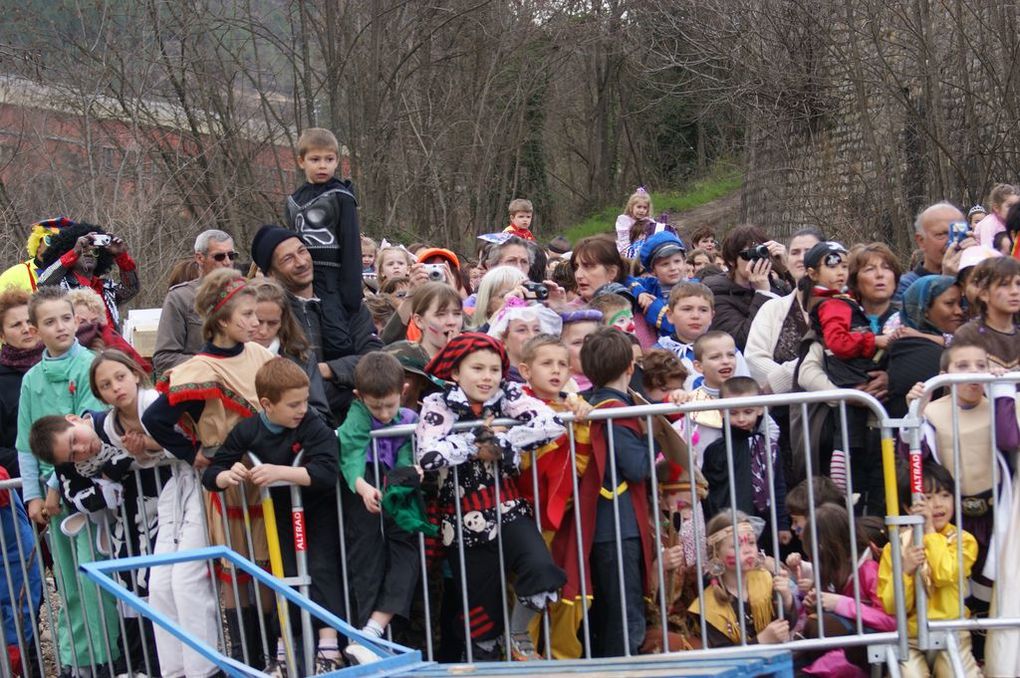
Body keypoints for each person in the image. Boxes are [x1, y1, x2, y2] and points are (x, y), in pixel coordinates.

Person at [416, 333, 576, 661]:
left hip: (508, 507)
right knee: (481, 619)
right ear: (456, 373)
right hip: (462, 520)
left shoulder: (507, 394)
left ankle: (518, 632)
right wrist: (477, 442)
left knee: (542, 571)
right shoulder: (438, 403)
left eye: (494, 369)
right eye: (477, 368)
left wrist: (504, 443)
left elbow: (552, 423)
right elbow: (429, 456)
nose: (488, 377)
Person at [142, 269, 275, 666]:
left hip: (266, 474)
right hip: (228, 479)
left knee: (268, 564)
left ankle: (272, 655)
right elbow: (156, 419)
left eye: (257, 315)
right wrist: (192, 452)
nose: (256, 322)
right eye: (247, 315)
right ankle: (245, 658)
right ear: (220, 320)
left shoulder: (262, 356)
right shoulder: (196, 367)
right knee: (236, 570)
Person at [204, 357, 343, 674]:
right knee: (286, 576)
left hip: (316, 510)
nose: (302, 409)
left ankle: (329, 649)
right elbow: (213, 471)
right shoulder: (249, 429)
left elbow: (326, 472)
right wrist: (227, 475)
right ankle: (284, 653)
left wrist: (282, 472)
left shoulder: (311, 424)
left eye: (305, 401)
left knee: (321, 569)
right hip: (280, 515)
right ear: (267, 404)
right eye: (294, 404)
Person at [15, 286, 120, 675]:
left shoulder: (90, 365)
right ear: (35, 329)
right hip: (50, 501)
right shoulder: (31, 380)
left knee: (95, 576)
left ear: (77, 319)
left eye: (65, 318)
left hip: (87, 492)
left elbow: (82, 440)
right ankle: (75, 658)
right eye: (49, 321)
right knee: (66, 581)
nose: (60, 327)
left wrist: (56, 489)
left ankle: (105, 655)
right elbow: (26, 444)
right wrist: (32, 497)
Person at [905, 340, 1020, 620]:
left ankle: (987, 652)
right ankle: (962, 644)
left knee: (994, 586)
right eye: (963, 366)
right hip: (953, 513)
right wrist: (914, 412)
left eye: (981, 366)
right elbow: (913, 459)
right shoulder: (933, 411)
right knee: (956, 581)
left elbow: (1008, 439)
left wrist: (1003, 389)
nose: (973, 373)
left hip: (995, 512)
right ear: (945, 374)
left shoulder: (1003, 405)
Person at [336, 352, 422, 666]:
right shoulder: (358, 414)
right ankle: (367, 637)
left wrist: (405, 479)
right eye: (376, 407)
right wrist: (361, 486)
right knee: (366, 559)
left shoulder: (411, 418)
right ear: (360, 397)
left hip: (396, 487)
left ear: (405, 390)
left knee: (406, 555)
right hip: (365, 484)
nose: (384, 414)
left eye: (390, 404)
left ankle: (373, 631)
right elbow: (352, 452)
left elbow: (406, 457)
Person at [251, 225, 383, 421]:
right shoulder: (270, 317)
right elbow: (283, 388)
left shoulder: (347, 305)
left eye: (302, 251)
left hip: (360, 426)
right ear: (271, 273)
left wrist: (324, 370)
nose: (301, 262)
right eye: (288, 259)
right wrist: (349, 389)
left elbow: (376, 363)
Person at [877, 462, 981, 677]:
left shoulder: (963, 540)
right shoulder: (895, 547)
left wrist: (930, 532)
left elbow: (946, 574)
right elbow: (891, 604)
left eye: (945, 495)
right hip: (911, 638)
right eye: (927, 498)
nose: (938, 504)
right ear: (908, 507)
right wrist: (905, 571)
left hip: (952, 632)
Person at [798, 504, 896, 675]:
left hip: (873, 652)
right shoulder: (835, 571)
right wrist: (814, 605)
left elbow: (891, 622)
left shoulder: (869, 569)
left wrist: (841, 604)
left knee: (821, 626)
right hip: (844, 652)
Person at [702, 377, 791, 554]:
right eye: (733, 413)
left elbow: (778, 486)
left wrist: (782, 524)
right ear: (721, 412)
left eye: (748, 411)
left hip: (764, 526)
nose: (741, 418)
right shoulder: (715, 450)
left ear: (759, 410)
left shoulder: (768, 447)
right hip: (726, 529)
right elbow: (709, 494)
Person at [284, 127, 363, 316]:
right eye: (315, 159)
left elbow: (351, 247)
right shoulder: (293, 200)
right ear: (301, 161)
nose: (322, 165)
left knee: (336, 336)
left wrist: (351, 296)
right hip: (300, 277)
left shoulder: (341, 196)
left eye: (329, 159)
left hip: (333, 280)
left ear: (337, 161)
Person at [688, 511, 793, 647]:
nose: (748, 550)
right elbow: (722, 656)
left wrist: (787, 600)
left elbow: (788, 626)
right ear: (716, 554)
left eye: (751, 542)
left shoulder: (767, 579)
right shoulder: (707, 607)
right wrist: (760, 641)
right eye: (737, 546)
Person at [153, 229, 237, 375]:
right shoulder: (180, 298)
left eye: (231, 255)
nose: (227, 262)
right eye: (219, 257)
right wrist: (213, 365)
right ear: (199, 258)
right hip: (201, 385)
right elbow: (164, 358)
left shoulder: (246, 295)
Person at [249, 278, 331, 423]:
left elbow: (322, 415)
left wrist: (290, 406)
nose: (263, 331)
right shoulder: (229, 355)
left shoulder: (302, 357)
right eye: (258, 321)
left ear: (283, 322)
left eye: (272, 323)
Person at [35, 222, 139, 332]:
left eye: (94, 251)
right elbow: (43, 283)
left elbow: (131, 289)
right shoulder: (61, 288)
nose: (89, 254)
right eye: (84, 250)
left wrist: (121, 256)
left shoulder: (106, 289)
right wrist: (74, 252)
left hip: (111, 346)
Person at [884, 276, 964, 417]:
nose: (959, 311)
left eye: (960, 304)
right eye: (950, 303)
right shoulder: (910, 347)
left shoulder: (964, 340)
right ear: (924, 308)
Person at [703, 225, 791, 352]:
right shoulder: (716, 293)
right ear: (731, 260)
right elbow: (741, 343)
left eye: (761, 252)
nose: (757, 261)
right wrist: (763, 294)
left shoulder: (778, 287)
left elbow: (805, 312)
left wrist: (789, 269)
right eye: (749, 255)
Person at [655, 282, 750, 390]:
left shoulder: (729, 352)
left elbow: (746, 391)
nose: (696, 316)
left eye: (703, 310)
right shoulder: (658, 353)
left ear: (712, 316)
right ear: (670, 315)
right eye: (687, 309)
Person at [384, 282, 463, 409]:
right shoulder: (403, 356)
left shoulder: (471, 357)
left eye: (457, 314)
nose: (452, 322)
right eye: (441, 314)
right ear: (419, 321)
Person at [953, 256, 1020, 371]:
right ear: (984, 294)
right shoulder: (968, 335)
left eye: (1018, 284)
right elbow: (959, 384)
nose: (1015, 291)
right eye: (1004, 284)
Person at [0, 288, 39, 479]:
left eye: (30, 321)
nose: (26, 329)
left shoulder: (60, 363)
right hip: (23, 487)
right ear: (2, 335)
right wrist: (35, 463)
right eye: (16, 325)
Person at [894, 202, 968, 301]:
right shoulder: (905, 286)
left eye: (957, 234)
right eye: (941, 234)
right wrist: (947, 280)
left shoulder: (976, 281)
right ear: (921, 241)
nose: (951, 243)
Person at [67, 287, 152, 372]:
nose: (90, 327)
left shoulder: (116, 346)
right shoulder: (63, 351)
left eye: (94, 321)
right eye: (82, 322)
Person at [686, 331, 740, 465]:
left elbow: (771, 430)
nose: (726, 361)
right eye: (716, 357)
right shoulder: (691, 401)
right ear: (698, 366)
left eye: (731, 355)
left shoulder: (749, 394)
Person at [486, 298, 562, 383]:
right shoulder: (497, 380)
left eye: (536, 330)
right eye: (522, 330)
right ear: (503, 340)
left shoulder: (552, 375)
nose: (532, 336)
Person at [628, 231, 689, 337]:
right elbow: (623, 279)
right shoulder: (650, 285)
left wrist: (654, 308)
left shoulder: (696, 289)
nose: (673, 268)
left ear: (685, 262)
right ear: (652, 271)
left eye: (677, 261)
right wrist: (640, 292)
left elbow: (681, 327)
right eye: (665, 264)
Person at [0, 216, 73, 293]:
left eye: (63, 243)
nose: (55, 246)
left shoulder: (75, 277)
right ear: (38, 243)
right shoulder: (14, 275)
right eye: (50, 240)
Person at [467, 266, 529, 331]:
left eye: (521, 293)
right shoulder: (471, 338)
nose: (515, 300)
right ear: (487, 303)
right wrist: (503, 309)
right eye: (505, 295)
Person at [973, 183, 1020, 249]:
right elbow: (987, 249)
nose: (1014, 209)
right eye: (1010, 206)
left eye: (1017, 205)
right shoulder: (989, 224)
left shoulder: (1013, 221)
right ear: (996, 208)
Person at [614, 188, 653, 254]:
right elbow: (624, 240)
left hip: (644, 250)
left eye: (645, 208)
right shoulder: (624, 220)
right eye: (639, 207)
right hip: (627, 251)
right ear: (631, 207)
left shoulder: (649, 221)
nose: (641, 210)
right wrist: (630, 253)